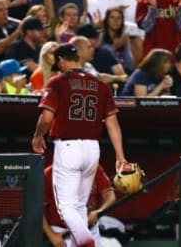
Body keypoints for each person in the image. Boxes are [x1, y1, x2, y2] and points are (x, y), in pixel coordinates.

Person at [31, 43, 128, 247]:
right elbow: (112, 123)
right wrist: (120, 157)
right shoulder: (100, 84)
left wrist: (38, 136)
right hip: (93, 149)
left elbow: (47, 117)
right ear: (77, 59)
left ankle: (86, 243)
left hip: (68, 148)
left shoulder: (58, 81)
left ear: (61, 61)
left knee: (66, 208)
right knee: (79, 207)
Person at [43, 164, 117, 247]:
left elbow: (110, 195)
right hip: (63, 233)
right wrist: (52, 235)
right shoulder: (50, 173)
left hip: (90, 229)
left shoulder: (93, 168)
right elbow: (36, 209)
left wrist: (100, 211)